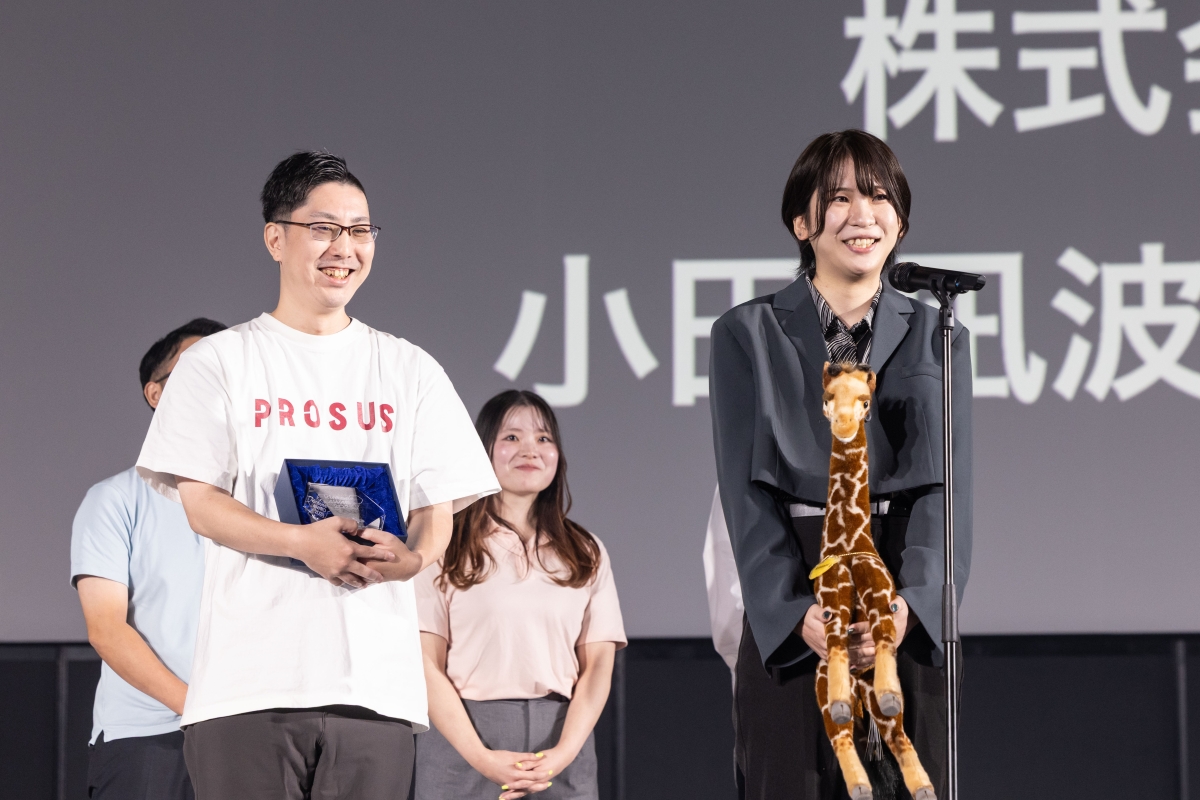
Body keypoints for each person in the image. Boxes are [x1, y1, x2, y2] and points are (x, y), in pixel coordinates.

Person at [135, 151, 500, 800]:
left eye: (361, 231)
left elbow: (436, 508)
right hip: (248, 687)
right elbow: (201, 504)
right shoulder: (219, 361)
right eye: (324, 228)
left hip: (375, 689)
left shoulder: (410, 368)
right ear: (276, 238)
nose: (345, 248)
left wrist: (412, 560)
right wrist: (301, 543)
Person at [708, 129, 972, 799]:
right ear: (802, 222)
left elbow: (948, 490)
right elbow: (744, 495)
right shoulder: (748, 333)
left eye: (880, 197)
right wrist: (794, 612)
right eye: (840, 198)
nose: (864, 214)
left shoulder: (937, 333)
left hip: (901, 589)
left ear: (901, 220)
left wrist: (911, 608)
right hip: (799, 585)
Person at [413, 390, 626, 800]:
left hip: (562, 744)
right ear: (482, 451)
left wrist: (562, 754)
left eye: (544, 438)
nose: (530, 449)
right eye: (511, 437)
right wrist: (481, 757)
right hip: (464, 743)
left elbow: (599, 663)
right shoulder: (443, 544)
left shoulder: (585, 550)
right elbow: (425, 662)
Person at [71, 316, 226, 800]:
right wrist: (199, 708)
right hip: (148, 737)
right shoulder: (115, 499)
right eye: (196, 369)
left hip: (249, 736)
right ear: (156, 393)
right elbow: (106, 629)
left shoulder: (262, 501)